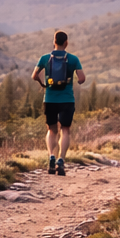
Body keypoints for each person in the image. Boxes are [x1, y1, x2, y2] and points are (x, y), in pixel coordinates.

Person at [32, 30, 85, 175]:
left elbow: (34, 75)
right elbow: (82, 78)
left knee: (51, 130)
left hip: (50, 99)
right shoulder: (73, 59)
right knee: (65, 130)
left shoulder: (45, 58)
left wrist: (42, 83)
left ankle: (51, 156)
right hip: (67, 99)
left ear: (54, 42)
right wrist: (77, 80)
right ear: (66, 43)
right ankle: (61, 160)